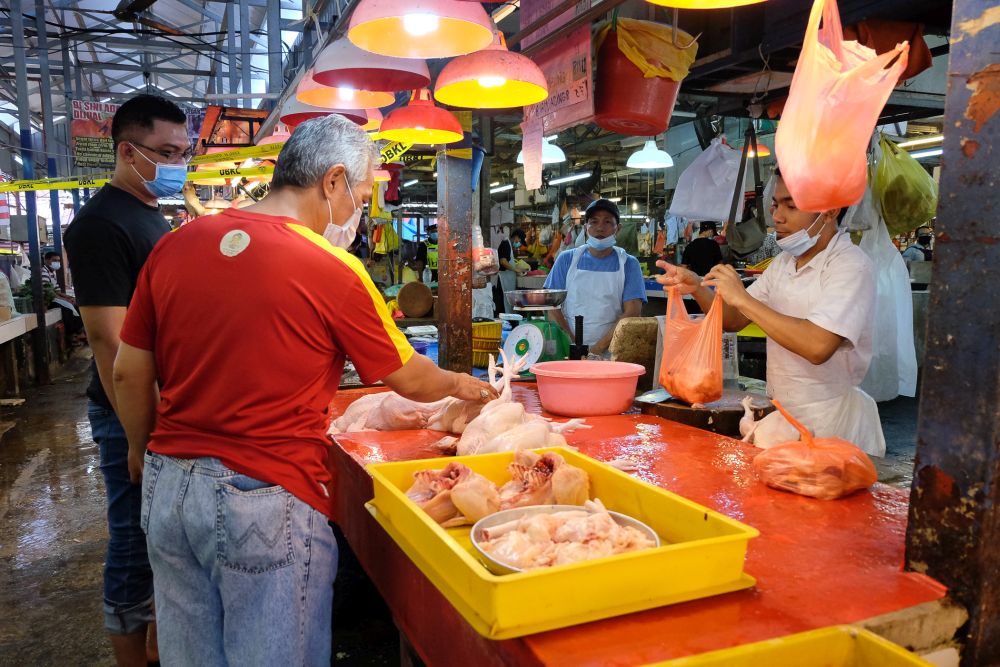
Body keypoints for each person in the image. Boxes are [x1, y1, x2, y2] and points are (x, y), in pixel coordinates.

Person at [111, 114, 497, 666]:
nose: (359, 213)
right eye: (362, 196)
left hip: (169, 491)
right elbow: (408, 377)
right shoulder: (331, 267)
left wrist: (139, 449)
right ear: (333, 182)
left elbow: (129, 370)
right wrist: (464, 383)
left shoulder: (176, 245)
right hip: (264, 495)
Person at [64, 93, 190, 666]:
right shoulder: (99, 225)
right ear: (127, 151)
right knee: (134, 545)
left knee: (161, 542)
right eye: (165, 152)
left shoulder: (149, 215)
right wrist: (140, 434)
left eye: (183, 152)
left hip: (161, 406)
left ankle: (160, 649)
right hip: (129, 413)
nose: (176, 165)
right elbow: (109, 339)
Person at [657, 167, 884, 456]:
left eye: (791, 206)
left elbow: (818, 345)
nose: (777, 216)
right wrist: (698, 287)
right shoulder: (784, 264)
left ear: (829, 211)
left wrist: (743, 299)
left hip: (831, 423)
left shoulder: (850, 266)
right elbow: (734, 320)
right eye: (776, 204)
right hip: (782, 415)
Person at [544, 199, 646, 355]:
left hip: (613, 352)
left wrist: (597, 349)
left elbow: (632, 313)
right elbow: (551, 306)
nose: (600, 228)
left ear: (617, 228)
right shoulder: (566, 259)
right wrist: (573, 345)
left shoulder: (629, 264)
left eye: (607, 222)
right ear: (586, 228)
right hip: (568, 349)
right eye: (594, 222)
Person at [497, 228, 527, 312]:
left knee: (508, 303)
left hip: (507, 279)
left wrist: (517, 268)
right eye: (519, 241)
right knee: (504, 305)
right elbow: (503, 261)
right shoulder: (506, 243)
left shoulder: (509, 245)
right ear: (516, 237)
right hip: (503, 279)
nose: (519, 244)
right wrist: (516, 269)